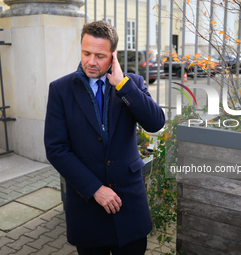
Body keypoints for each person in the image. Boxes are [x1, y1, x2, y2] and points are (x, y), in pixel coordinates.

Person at [44, 20, 165, 255]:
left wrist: (122, 84)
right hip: (87, 205)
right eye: (86, 53)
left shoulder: (132, 84)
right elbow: (56, 149)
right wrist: (95, 189)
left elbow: (155, 123)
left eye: (100, 55)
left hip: (129, 205)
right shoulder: (60, 89)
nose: (91, 61)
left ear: (113, 55)